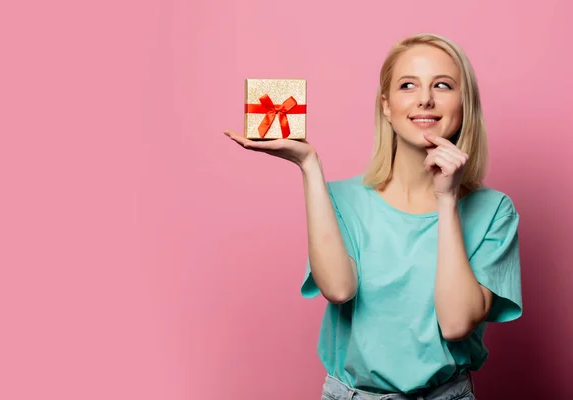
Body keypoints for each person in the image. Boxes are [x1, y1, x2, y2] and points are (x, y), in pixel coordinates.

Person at [223, 33, 522, 400]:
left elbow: (457, 323)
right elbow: (338, 289)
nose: (425, 99)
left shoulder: (494, 211)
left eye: (442, 85)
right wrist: (309, 165)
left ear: (465, 104)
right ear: (386, 105)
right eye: (408, 85)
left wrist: (447, 201)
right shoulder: (343, 200)